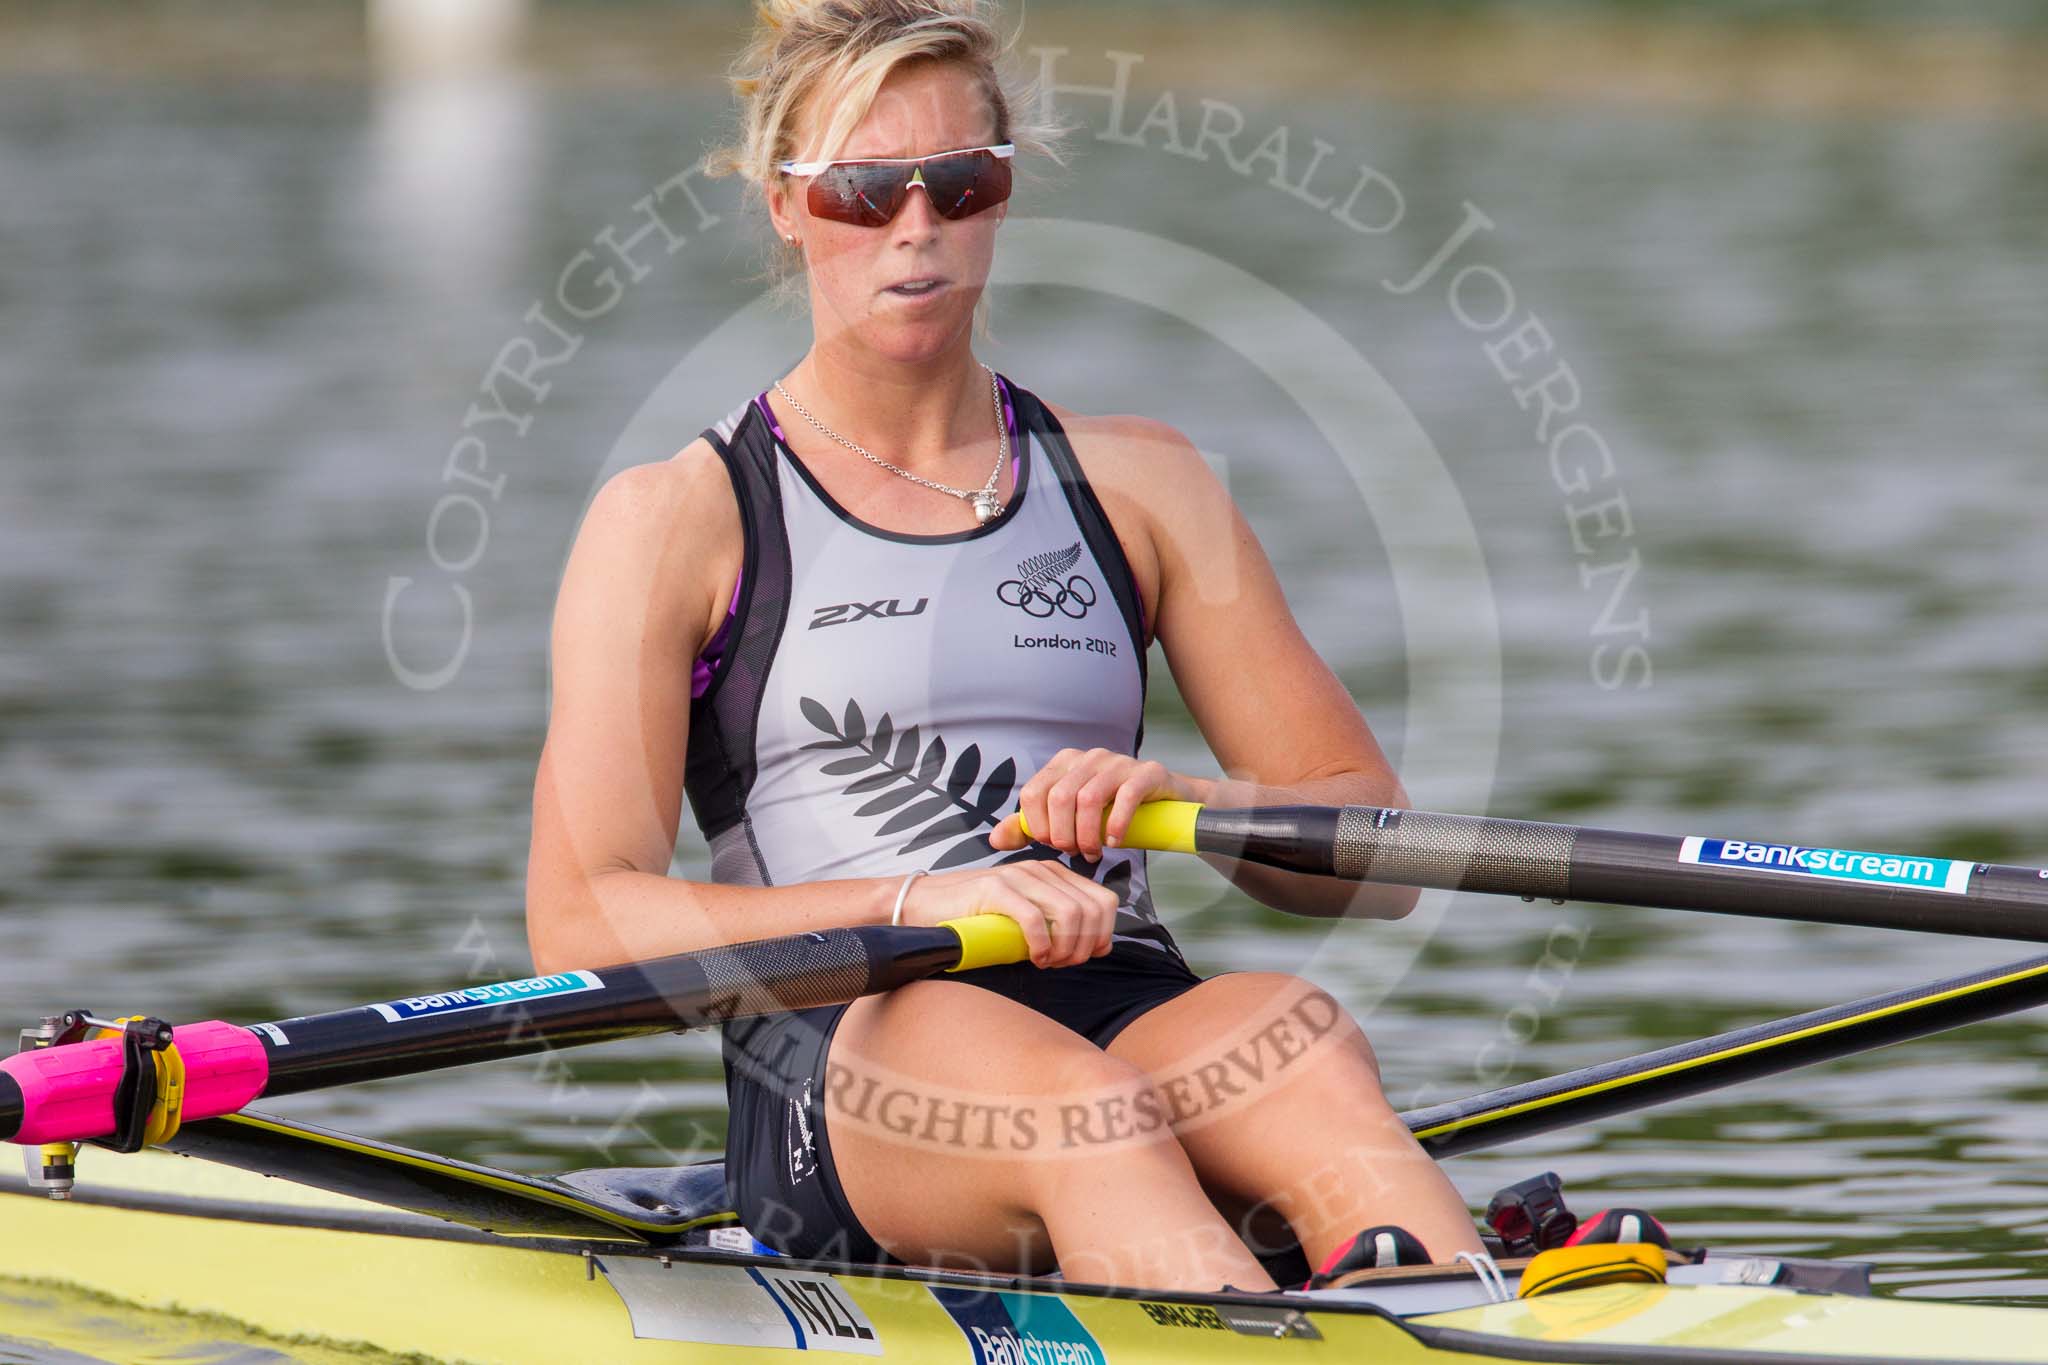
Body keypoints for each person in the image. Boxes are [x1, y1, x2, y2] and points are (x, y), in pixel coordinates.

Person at [525, 0, 1483, 1292]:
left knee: (1302, 1038)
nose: (916, 229)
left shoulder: (1146, 484)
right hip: (848, 1044)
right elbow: (579, 918)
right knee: (1086, 1115)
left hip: (1117, 999)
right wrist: (930, 898)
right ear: (787, 206)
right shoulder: (677, 520)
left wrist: (1192, 802)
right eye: (866, 192)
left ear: (1004, 192)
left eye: (958, 183)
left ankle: (1458, 1306)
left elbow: (1376, 852)